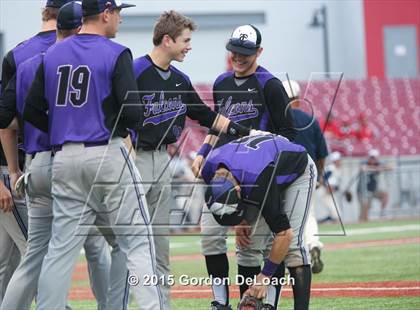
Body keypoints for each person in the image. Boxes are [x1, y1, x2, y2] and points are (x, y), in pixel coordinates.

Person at [23, 0, 163, 309]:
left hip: (63, 157)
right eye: (119, 13)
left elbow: (31, 110)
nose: (120, 20)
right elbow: (134, 114)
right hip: (106, 151)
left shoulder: (52, 54)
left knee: (59, 250)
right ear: (105, 14)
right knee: (137, 240)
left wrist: (61, 127)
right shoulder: (116, 52)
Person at [132, 13, 265, 309]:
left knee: (160, 247)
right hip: (134, 159)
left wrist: (245, 132)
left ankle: (161, 306)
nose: (189, 46)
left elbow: (205, 116)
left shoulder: (180, 80)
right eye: (186, 40)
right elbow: (117, 121)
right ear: (168, 40)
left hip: (161, 161)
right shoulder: (135, 71)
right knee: (129, 243)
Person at [0, 3, 112, 309]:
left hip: (35, 163)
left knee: (35, 254)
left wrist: (11, 171)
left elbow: (6, 123)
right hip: (74, 162)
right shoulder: (92, 59)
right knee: (96, 248)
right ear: (80, 28)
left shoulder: (24, 62)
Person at [195, 25, 295, 309]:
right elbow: (218, 126)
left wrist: (267, 167)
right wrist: (203, 151)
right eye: (235, 51)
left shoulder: (270, 85)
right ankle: (219, 302)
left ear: (259, 52)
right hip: (222, 172)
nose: (238, 57)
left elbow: (289, 135)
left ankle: (255, 302)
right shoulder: (221, 82)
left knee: (249, 247)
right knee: (211, 238)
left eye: (246, 53)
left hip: (255, 176)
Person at [0, 0, 69, 305]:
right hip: (29, 166)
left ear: (45, 13)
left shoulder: (16, 54)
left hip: (17, 164)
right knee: (37, 252)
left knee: (8, 260)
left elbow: (6, 120)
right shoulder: (70, 51)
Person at [202, 134, 316, 310]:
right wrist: (240, 220)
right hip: (259, 167)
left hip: (297, 170)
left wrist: (265, 276)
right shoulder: (209, 168)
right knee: (248, 244)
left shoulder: (258, 181)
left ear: (239, 190)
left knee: (293, 247)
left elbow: (284, 234)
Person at [282, 79, 329, 274]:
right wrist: (319, 176)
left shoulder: (277, 119)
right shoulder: (310, 119)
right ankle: (313, 244)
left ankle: (283, 258)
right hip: (307, 173)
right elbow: (321, 153)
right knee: (308, 214)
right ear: (299, 97)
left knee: (281, 217)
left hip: (283, 174)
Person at [357, 149, 392, 221]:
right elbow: (363, 168)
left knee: (385, 195)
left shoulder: (378, 164)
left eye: (374, 158)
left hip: (373, 190)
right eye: (371, 158)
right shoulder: (364, 163)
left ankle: (383, 213)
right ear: (369, 158)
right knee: (365, 209)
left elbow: (390, 167)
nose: (373, 160)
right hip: (363, 191)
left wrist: (380, 168)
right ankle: (362, 221)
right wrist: (376, 169)